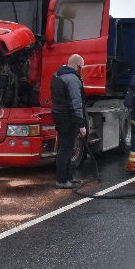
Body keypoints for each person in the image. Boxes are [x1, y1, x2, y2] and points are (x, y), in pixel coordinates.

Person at [50, 54, 87, 189]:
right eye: (81, 68)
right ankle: (62, 180)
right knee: (66, 149)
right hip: (68, 118)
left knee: (65, 147)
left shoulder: (57, 75)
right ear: (77, 66)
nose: (81, 70)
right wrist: (81, 125)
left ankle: (69, 177)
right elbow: (76, 103)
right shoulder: (73, 80)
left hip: (58, 114)